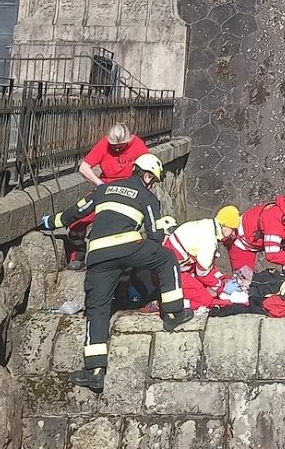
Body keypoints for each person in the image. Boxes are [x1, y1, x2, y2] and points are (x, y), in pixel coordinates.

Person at [41, 153, 192, 392]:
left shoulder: (105, 189)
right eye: (153, 178)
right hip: (129, 247)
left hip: (99, 256)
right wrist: (157, 238)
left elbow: (75, 213)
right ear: (147, 175)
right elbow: (154, 234)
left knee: (97, 308)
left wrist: (50, 222)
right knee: (166, 259)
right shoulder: (147, 197)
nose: (152, 183)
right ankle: (174, 314)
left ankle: (95, 371)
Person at [64, 123, 151, 270]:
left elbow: (149, 168)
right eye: (113, 145)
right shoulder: (104, 145)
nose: (117, 148)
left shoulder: (137, 145)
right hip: (105, 187)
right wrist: (99, 184)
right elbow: (84, 167)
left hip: (128, 188)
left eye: (121, 145)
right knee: (78, 219)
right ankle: (78, 255)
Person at [156, 205, 241, 311]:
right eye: (232, 229)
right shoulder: (209, 241)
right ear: (223, 225)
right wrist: (223, 287)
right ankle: (165, 305)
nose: (233, 233)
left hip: (172, 266)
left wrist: (221, 278)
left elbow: (207, 267)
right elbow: (202, 274)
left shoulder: (205, 226)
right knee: (205, 300)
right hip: (172, 273)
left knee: (208, 290)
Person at [225, 195, 285, 277]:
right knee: (244, 282)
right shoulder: (275, 221)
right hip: (242, 244)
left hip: (262, 239)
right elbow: (272, 255)